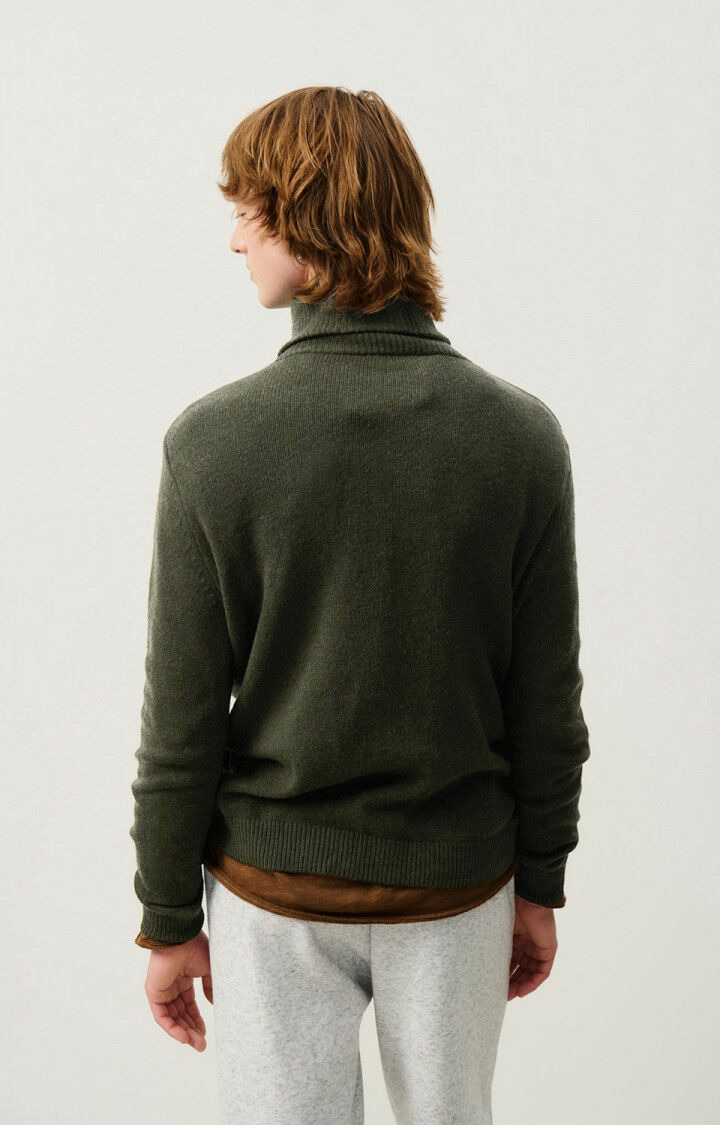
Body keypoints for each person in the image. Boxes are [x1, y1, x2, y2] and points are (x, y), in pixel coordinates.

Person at [129, 86, 591, 1124]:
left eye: (250, 211)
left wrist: (167, 916)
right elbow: (546, 702)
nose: (235, 238)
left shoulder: (214, 443)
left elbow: (183, 719)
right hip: (459, 891)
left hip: (270, 896)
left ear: (309, 219)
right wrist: (540, 883)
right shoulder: (519, 437)